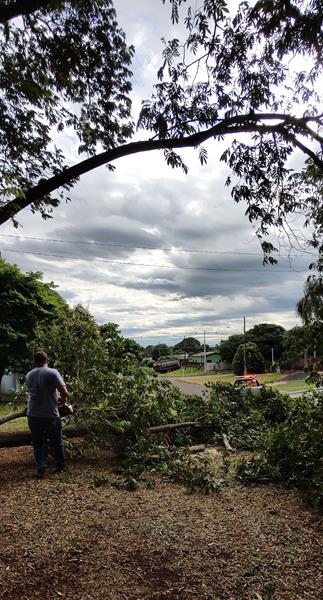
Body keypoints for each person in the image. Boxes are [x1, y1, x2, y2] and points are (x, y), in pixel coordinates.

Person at [26, 351, 68, 479]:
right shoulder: (52, 372)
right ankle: (60, 464)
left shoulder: (29, 374)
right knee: (57, 441)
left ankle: (41, 468)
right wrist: (63, 401)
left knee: (38, 442)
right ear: (47, 360)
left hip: (33, 414)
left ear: (34, 361)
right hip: (50, 413)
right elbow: (64, 392)